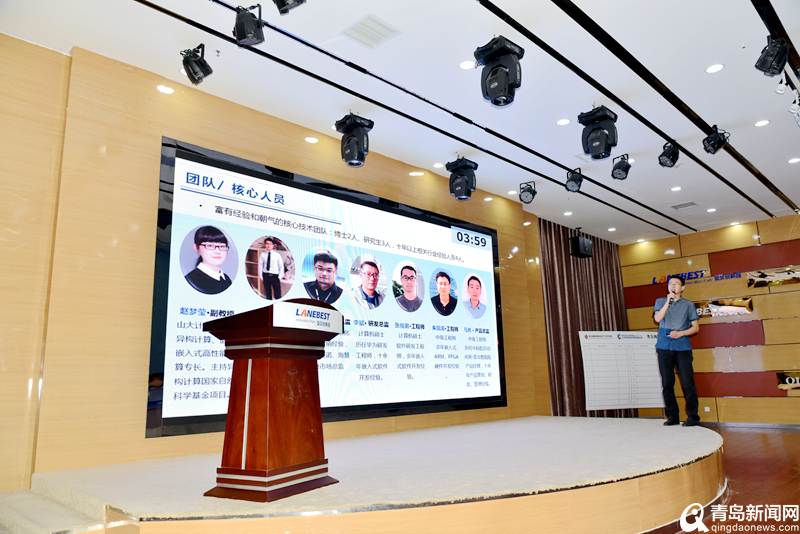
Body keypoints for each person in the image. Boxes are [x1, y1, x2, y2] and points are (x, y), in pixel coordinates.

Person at [653, 275, 700, 427]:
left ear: (682, 288)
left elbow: (695, 328)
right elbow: (658, 319)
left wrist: (681, 333)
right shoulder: (661, 301)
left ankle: (693, 416)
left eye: (676, 284)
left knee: (688, 383)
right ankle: (673, 417)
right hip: (664, 348)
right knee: (667, 384)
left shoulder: (688, 305)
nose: (672, 286)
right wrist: (668, 302)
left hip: (682, 348)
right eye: (670, 283)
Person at [184, 226, 233, 294]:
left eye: (222, 246)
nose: (217, 251)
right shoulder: (191, 279)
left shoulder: (227, 280)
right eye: (210, 246)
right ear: (196, 247)